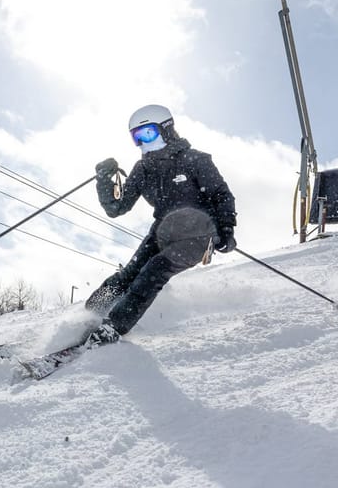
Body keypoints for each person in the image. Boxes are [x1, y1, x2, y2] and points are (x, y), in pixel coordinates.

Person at [84, 104, 237, 345]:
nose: (143, 143)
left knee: (154, 270)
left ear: (167, 129)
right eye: (137, 138)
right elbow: (117, 208)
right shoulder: (143, 168)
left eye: (148, 134)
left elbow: (221, 195)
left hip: (197, 235)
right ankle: (88, 316)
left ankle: (114, 326)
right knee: (128, 275)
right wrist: (104, 179)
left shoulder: (195, 160)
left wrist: (226, 229)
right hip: (162, 232)